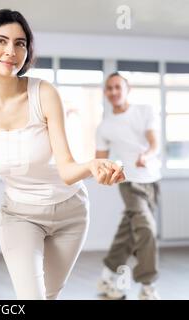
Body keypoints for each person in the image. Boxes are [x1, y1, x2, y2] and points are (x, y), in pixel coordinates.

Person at [0, 9, 125, 300]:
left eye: (20, 43)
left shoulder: (43, 94)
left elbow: (68, 168)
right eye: (1, 41)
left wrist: (94, 165)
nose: (11, 51)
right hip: (19, 215)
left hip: (70, 213)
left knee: (49, 295)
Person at [96, 72, 161, 300]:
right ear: (105, 93)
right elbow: (99, 161)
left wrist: (147, 155)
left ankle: (106, 278)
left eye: (117, 87)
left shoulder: (145, 111)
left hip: (151, 181)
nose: (113, 92)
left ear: (127, 89)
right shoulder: (104, 126)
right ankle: (147, 286)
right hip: (129, 184)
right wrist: (105, 173)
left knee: (129, 234)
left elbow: (154, 143)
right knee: (147, 229)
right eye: (109, 88)